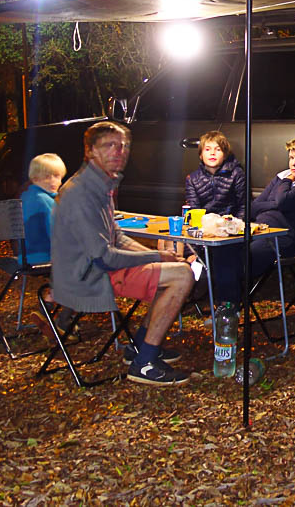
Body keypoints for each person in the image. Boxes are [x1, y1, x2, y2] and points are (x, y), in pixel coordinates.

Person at [49, 121, 198, 386]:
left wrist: (159, 256)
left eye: (124, 146)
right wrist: (156, 258)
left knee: (176, 269)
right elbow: (104, 256)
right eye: (110, 146)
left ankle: (139, 348)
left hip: (99, 264)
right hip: (86, 274)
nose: (120, 152)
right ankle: (145, 364)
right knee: (182, 277)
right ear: (91, 151)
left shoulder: (99, 183)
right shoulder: (81, 193)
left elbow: (116, 235)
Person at [206, 135, 295, 303]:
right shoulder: (281, 177)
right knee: (221, 250)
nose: (293, 163)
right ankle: (227, 308)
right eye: (291, 157)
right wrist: (277, 203)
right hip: (257, 229)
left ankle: (228, 310)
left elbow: (283, 200)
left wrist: (286, 184)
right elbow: (254, 207)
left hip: (281, 238)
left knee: (238, 260)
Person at [184, 130, 247, 219]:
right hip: (205, 227)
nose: (212, 153)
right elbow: (194, 210)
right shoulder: (192, 179)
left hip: (231, 226)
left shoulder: (236, 174)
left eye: (218, 149)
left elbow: (244, 207)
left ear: (225, 155)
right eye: (207, 149)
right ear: (201, 155)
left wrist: (234, 226)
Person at [20, 153, 65, 265]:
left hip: (25, 256)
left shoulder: (26, 196)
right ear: (35, 178)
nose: (53, 181)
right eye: (47, 177)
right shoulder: (44, 201)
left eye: (57, 176)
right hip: (43, 256)